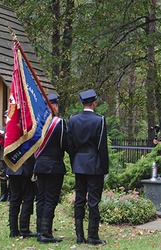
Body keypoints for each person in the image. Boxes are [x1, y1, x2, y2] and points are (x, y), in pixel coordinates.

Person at [68, 89, 109, 245]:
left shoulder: (73, 120)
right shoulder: (99, 120)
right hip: (94, 164)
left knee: (79, 199)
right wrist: (104, 168)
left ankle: (79, 236)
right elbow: (102, 147)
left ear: (81, 103)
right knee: (93, 201)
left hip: (79, 163)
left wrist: (75, 162)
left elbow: (70, 145)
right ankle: (92, 235)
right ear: (94, 103)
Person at [34, 94, 68, 244]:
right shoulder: (58, 123)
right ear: (53, 106)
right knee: (50, 199)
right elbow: (65, 144)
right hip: (54, 166)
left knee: (41, 198)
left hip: (40, 165)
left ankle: (40, 230)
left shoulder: (37, 122)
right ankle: (46, 234)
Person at [7, 155, 37, 238]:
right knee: (27, 199)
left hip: (13, 167)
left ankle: (13, 230)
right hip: (25, 168)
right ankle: (24, 229)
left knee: (14, 200)